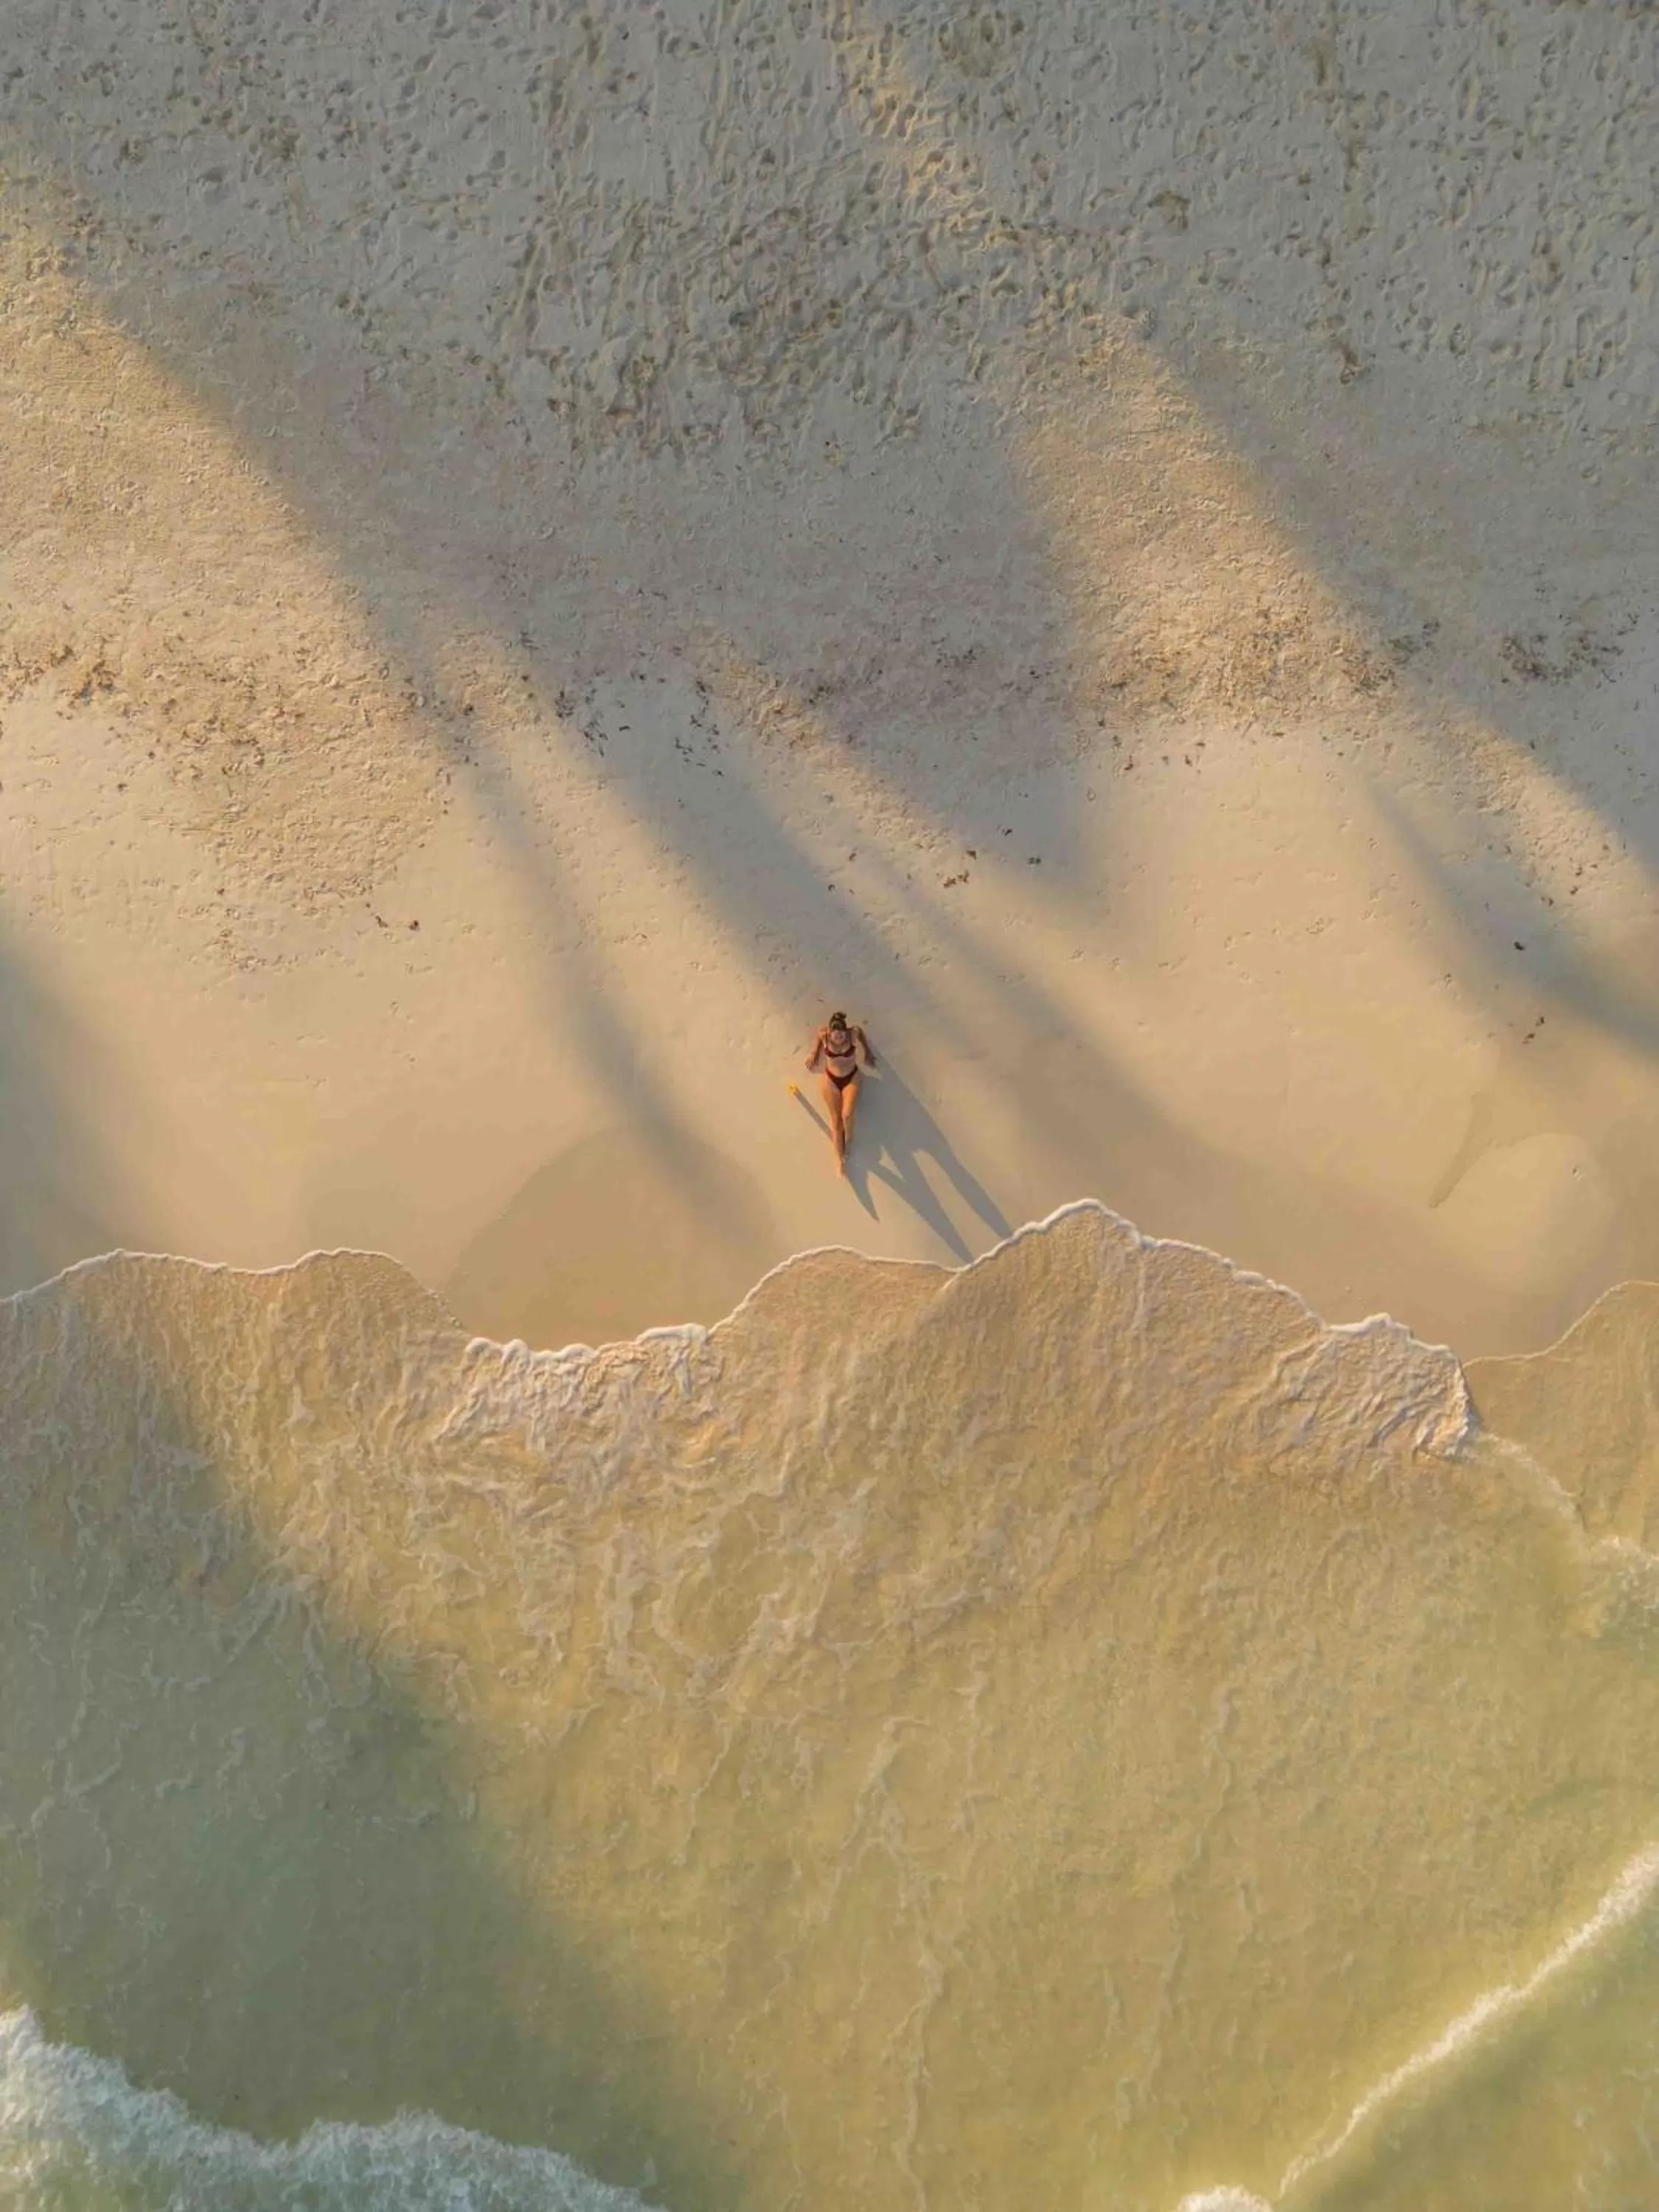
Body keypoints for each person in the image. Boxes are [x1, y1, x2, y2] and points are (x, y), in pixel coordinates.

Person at [805, 1011, 876, 1173]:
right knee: (836, 1120)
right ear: (830, 1031)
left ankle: (849, 1139)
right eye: (835, 1034)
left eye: (841, 1034)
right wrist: (814, 1053)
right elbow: (817, 1038)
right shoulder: (824, 1034)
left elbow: (860, 1033)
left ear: (846, 1032)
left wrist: (868, 1052)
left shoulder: (853, 1034)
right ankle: (839, 1159)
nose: (838, 1037)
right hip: (831, 1080)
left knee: (847, 1114)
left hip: (852, 1078)